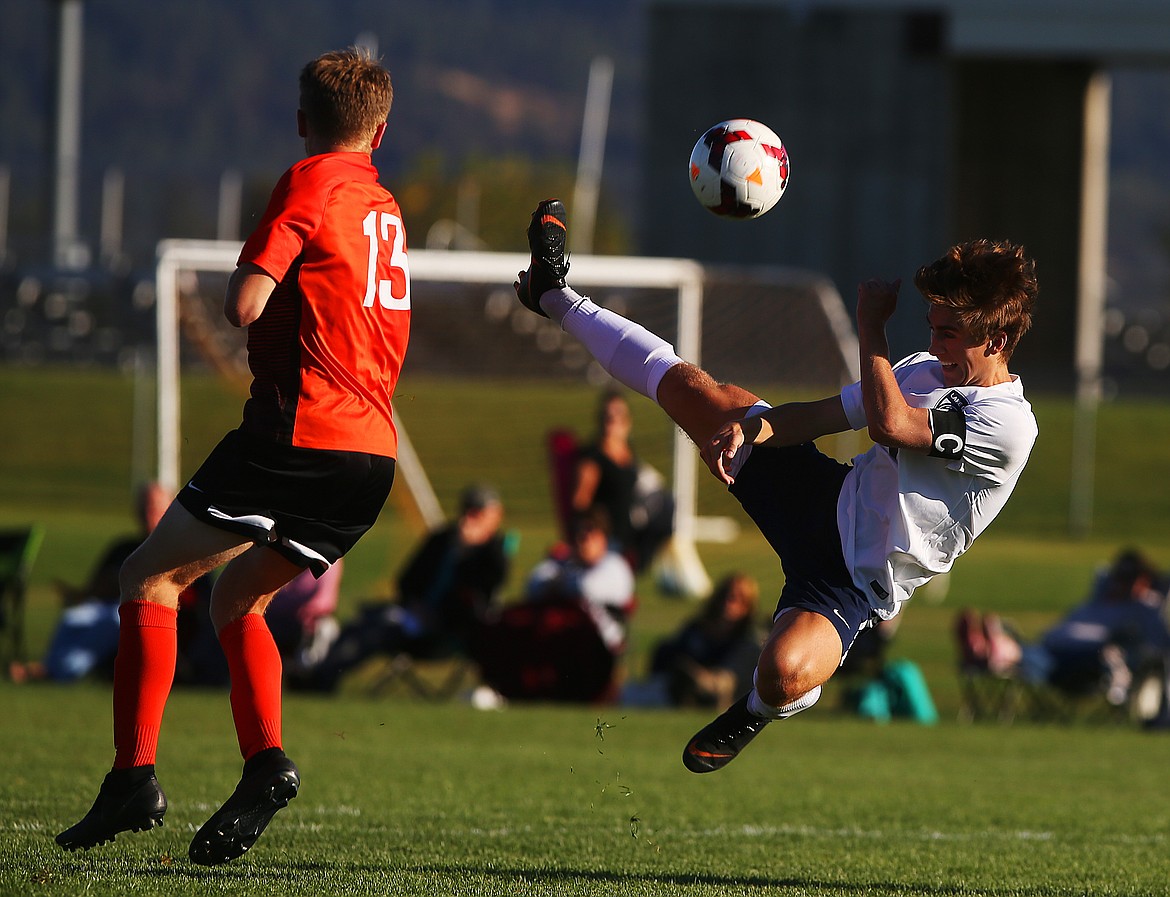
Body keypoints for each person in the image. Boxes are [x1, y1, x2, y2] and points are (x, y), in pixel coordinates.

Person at [514, 198, 1038, 772]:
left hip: (858, 582)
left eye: (951, 334)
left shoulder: (1009, 422)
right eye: (933, 329)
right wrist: (752, 429)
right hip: (825, 499)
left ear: (1000, 337)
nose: (936, 346)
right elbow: (819, 417)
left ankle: (762, 707)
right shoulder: (921, 369)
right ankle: (554, 294)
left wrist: (871, 327)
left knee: (783, 671)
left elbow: (893, 424)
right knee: (694, 389)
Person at [56, 48, 407, 863]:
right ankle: (265, 764)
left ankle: (132, 776)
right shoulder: (384, 203)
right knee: (236, 600)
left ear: (300, 123)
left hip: (298, 432)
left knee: (148, 576)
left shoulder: (309, 181)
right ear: (380, 132)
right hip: (371, 454)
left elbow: (244, 303)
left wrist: (265, 276)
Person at [292, 483, 510, 692]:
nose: (469, 519)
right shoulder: (442, 539)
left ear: (494, 516)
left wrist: (467, 550)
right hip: (411, 614)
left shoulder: (493, 551)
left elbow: (490, 585)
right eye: (468, 511)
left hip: (448, 628)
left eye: (478, 513)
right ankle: (318, 673)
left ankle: (322, 677)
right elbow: (406, 579)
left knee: (378, 630)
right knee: (360, 625)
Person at [9, 483, 187, 684]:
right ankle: (48, 666)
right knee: (75, 616)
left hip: (148, 612)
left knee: (113, 622)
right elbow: (97, 585)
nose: (148, 513)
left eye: (154, 507)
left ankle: (61, 673)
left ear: (170, 509)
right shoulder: (123, 547)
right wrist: (80, 594)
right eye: (144, 507)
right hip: (111, 605)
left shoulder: (176, 551)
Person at [958, 549, 1170, 716]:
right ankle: (989, 649)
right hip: (1054, 647)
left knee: (1038, 660)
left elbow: (1154, 640)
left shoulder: (1143, 608)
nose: (1121, 582)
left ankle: (994, 651)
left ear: (1145, 579)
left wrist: (1146, 592)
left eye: (1129, 577)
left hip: (1087, 663)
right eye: (1119, 575)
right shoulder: (1097, 602)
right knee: (1037, 654)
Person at [472, 507, 636, 703]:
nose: (583, 539)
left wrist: (561, 581)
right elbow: (534, 584)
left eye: (590, 533)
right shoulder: (567, 565)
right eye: (577, 534)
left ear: (603, 537)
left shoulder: (614, 566)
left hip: (597, 646)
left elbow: (587, 589)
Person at [570, 388, 673, 572]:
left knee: (668, 505)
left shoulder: (627, 451)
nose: (612, 419)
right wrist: (589, 535)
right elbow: (581, 501)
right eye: (607, 415)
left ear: (627, 421)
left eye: (618, 414)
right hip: (607, 537)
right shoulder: (593, 456)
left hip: (628, 531)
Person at [636, 572, 764, 710]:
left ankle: (707, 688)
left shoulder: (749, 640)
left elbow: (732, 677)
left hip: (727, 689)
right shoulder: (698, 630)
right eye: (726, 597)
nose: (729, 604)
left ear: (748, 606)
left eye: (738, 599)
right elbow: (670, 653)